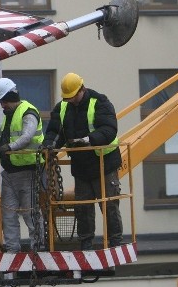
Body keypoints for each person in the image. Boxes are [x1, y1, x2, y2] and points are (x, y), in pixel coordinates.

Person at [43, 72, 123, 250]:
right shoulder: (63, 107)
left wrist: (88, 140)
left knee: (109, 203)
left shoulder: (100, 102)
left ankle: (115, 241)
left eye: (73, 96)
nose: (71, 100)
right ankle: (86, 241)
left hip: (104, 163)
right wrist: (49, 147)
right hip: (81, 166)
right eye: (68, 98)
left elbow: (109, 130)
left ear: (82, 89)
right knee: (83, 206)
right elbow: (55, 132)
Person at [0, 77, 45, 252]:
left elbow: (26, 137)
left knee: (30, 213)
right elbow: (3, 129)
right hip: (10, 174)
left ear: (10, 98)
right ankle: (12, 250)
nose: (2, 105)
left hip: (28, 172)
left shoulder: (28, 112)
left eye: (3, 102)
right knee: (8, 214)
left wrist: (7, 148)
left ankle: (39, 249)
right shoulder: (11, 115)